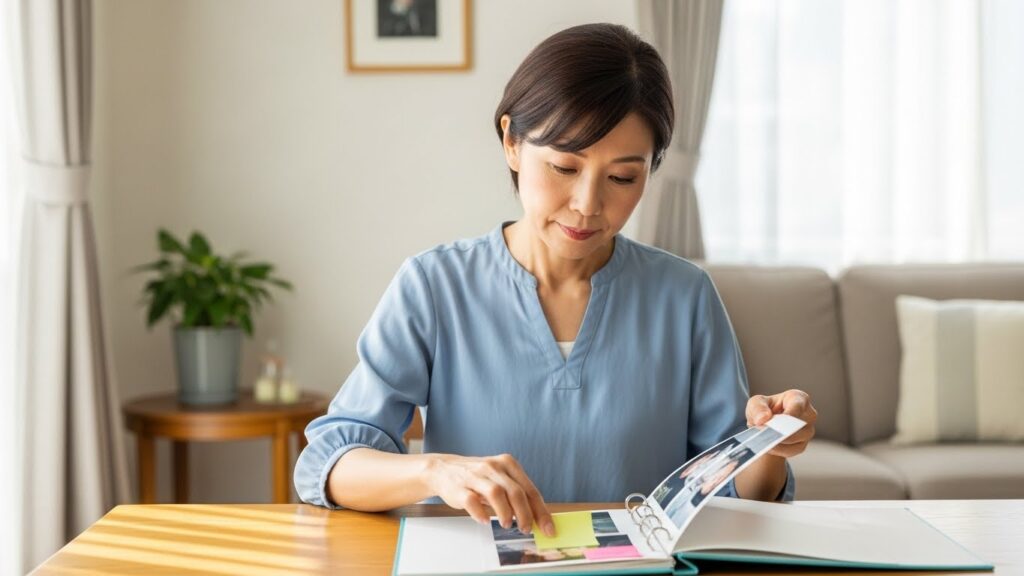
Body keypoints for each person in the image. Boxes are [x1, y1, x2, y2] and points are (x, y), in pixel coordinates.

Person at [293, 23, 818, 538]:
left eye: (623, 178)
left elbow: (732, 489)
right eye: (565, 167)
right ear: (512, 144)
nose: (588, 205)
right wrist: (437, 472)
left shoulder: (684, 296)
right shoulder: (435, 286)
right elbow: (329, 464)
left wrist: (767, 444)